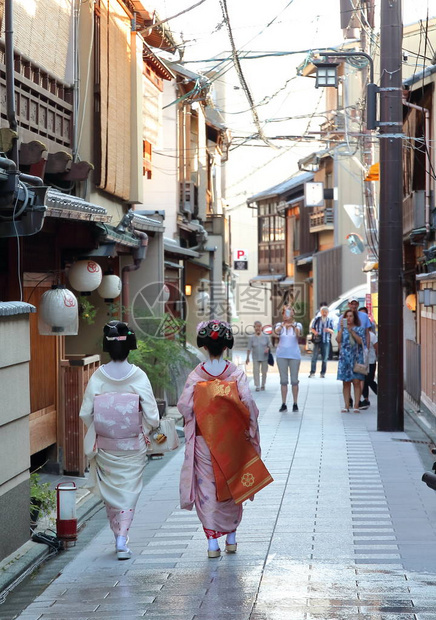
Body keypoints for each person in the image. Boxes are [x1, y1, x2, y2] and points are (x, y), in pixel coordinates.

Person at [178, 320, 272, 559]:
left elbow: (185, 407)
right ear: (227, 345)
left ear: (204, 346)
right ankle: (231, 538)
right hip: (232, 441)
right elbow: (248, 404)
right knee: (232, 487)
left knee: (207, 490)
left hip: (204, 442)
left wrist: (203, 412)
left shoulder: (196, 375)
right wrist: (249, 428)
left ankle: (212, 544)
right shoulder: (236, 373)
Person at [79, 321, 160, 560]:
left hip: (106, 445)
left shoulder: (98, 376)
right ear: (130, 348)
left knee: (113, 494)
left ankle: (118, 536)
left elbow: (86, 412)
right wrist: (139, 428)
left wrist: (104, 426)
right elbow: (153, 416)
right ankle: (122, 539)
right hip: (132, 445)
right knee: (128, 492)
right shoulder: (138, 375)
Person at [336, 309, 366, 413]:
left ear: (354, 318)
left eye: (351, 316)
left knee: (357, 382)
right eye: (347, 316)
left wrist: (351, 331)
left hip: (356, 358)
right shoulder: (342, 329)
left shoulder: (359, 329)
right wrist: (341, 329)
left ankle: (356, 405)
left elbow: (360, 341)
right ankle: (346, 405)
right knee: (346, 382)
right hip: (345, 358)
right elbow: (338, 340)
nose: (349, 318)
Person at [274, 306, 303, 412]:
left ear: (293, 314)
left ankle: (295, 403)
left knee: (294, 380)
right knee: (283, 380)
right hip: (281, 355)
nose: (286, 314)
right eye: (284, 313)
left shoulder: (297, 325)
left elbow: (298, 334)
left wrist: (292, 325)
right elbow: (275, 333)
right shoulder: (279, 325)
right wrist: (283, 325)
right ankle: (284, 403)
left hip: (294, 355)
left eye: (289, 312)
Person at [309, 306, 334, 378]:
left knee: (325, 358)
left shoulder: (330, 320)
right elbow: (312, 328)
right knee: (314, 356)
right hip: (317, 340)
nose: (324, 313)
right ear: (321, 312)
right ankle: (312, 372)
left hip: (326, 340)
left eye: (326, 312)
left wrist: (328, 330)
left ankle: (323, 373)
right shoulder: (317, 319)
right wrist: (315, 332)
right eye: (323, 312)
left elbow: (333, 331)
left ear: (328, 313)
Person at [246, 320, 272, 391]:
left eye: (259, 327)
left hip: (264, 357)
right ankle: (257, 385)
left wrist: (267, 348)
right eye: (256, 327)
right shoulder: (251, 337)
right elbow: (249, 348)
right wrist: (247, 357)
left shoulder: (266, 336)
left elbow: (270, 344)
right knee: (256, 371)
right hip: (255, 357)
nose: (257, 328)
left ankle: (263, 384)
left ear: (261, 327)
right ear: (254, 328)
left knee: (264, 372)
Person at [359, 327, 378, 409]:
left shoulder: (372, 336)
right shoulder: (358, 335)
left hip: (370, 361)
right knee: (363, 380)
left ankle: (381, 394)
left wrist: (377, 358)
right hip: (361, 361)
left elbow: (377, 347)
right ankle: (366, 399)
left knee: (369, 380)